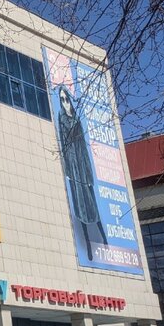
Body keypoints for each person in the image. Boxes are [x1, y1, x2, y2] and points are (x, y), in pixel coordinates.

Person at [55, 83, 107, 257]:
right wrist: (68, 170)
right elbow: (63, 144)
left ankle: (105, 240)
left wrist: (89, 173)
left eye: (66, 99)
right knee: (80, 209)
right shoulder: (61, 118)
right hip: (73, 167)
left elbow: (84, 146)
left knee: (93, 207)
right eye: (62, 100)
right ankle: (89, 247)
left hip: (83, 167)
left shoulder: (77, 118)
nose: (65, 103)